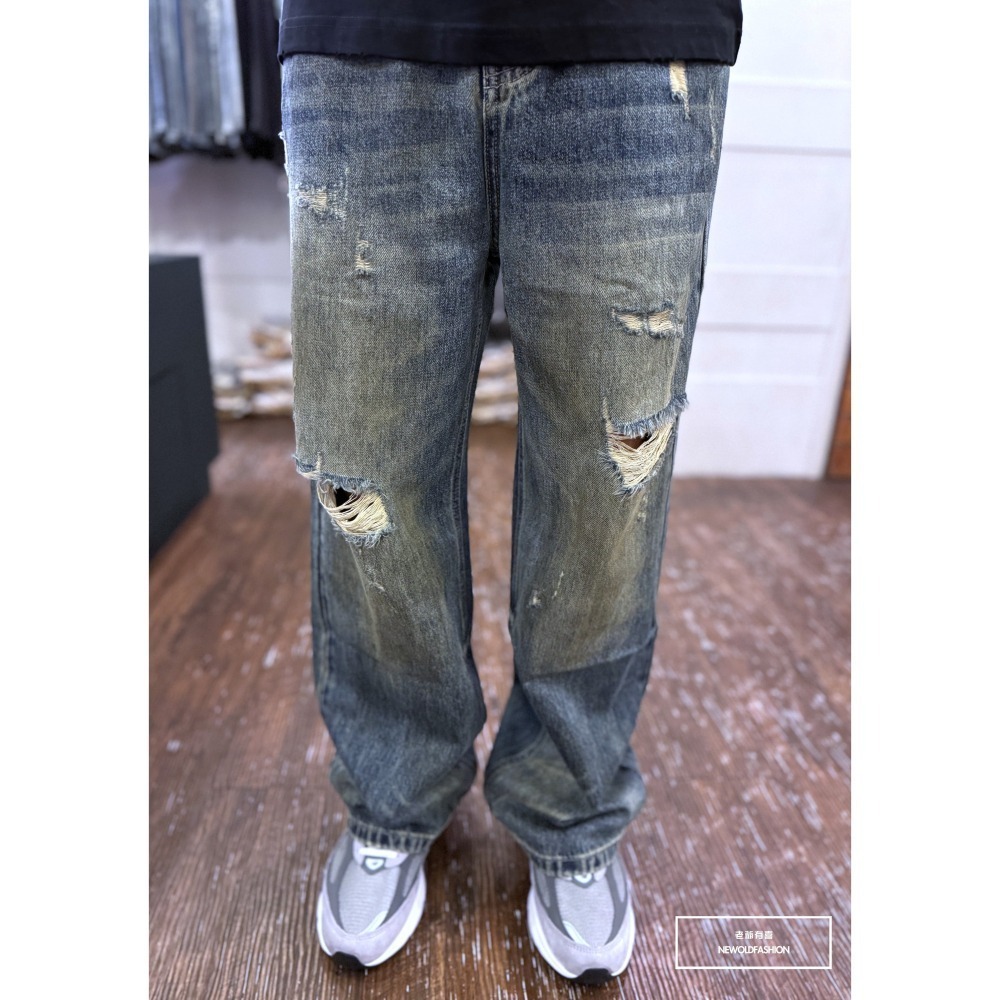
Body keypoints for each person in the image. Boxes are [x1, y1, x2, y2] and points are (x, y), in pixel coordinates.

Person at [278, 0, 742, 984]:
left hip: (633, 35)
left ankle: (571, 804)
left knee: (606, 484)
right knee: (365, 473)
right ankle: (394, 788)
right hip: (363, 35)